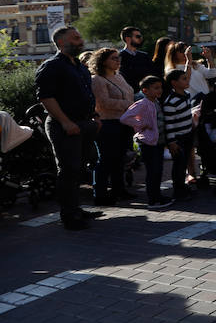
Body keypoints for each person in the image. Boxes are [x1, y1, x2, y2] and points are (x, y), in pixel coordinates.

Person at [35, 26, 103, 230]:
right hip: (64, 126)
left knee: (79, 169)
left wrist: (95, 116)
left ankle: (76, 209)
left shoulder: (80, 66)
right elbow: (46, 97)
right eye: (75, 38)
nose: (80, 41)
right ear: (62, 43)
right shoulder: (52, 66)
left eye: (80, 37)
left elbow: (86, 95)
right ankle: (69, 216)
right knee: (68, 170)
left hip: (84, 123)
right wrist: (65, 122)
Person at [89, 48, 135, 205]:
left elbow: (129, 93)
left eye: (118, 58)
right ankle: (99, 194)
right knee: (106, 159)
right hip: (107, 123)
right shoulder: (97, 80)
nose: (118, 61)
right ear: (103, 61)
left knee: (120, 159)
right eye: (113, 58)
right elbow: (102, 104)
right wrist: (130, 104)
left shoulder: (119, 76)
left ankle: (119, 190)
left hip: (123, 121)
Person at [120, 76, 172, 209]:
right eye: (155, 88)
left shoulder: (156, 101)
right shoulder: (142, 103)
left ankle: (158, 196)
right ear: (145, 90)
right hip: (148, 143)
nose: (159, 90)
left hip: (158, 142)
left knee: (158, 170)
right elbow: (125, 118)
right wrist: (141, 124)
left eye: (160, 87)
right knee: (153, 171)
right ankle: (153, 200)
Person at [162, 69, 194, 202]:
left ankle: (182, 187)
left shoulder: (186, 95)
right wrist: (172, 142)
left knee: (185, 162)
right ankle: (178, 190)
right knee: (179, 165)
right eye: (183, 79)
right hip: (178, 139)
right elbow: (169, 124)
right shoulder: (170, 101)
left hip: (187, 135)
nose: (187, 81)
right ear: (174, 83)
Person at [118, 27, 154, 91]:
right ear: (128, 39)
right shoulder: (119, 57)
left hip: (147, 92)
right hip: (129, 93)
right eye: (138, 36)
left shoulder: (144, 56)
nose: (141, 38)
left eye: (141, 36)